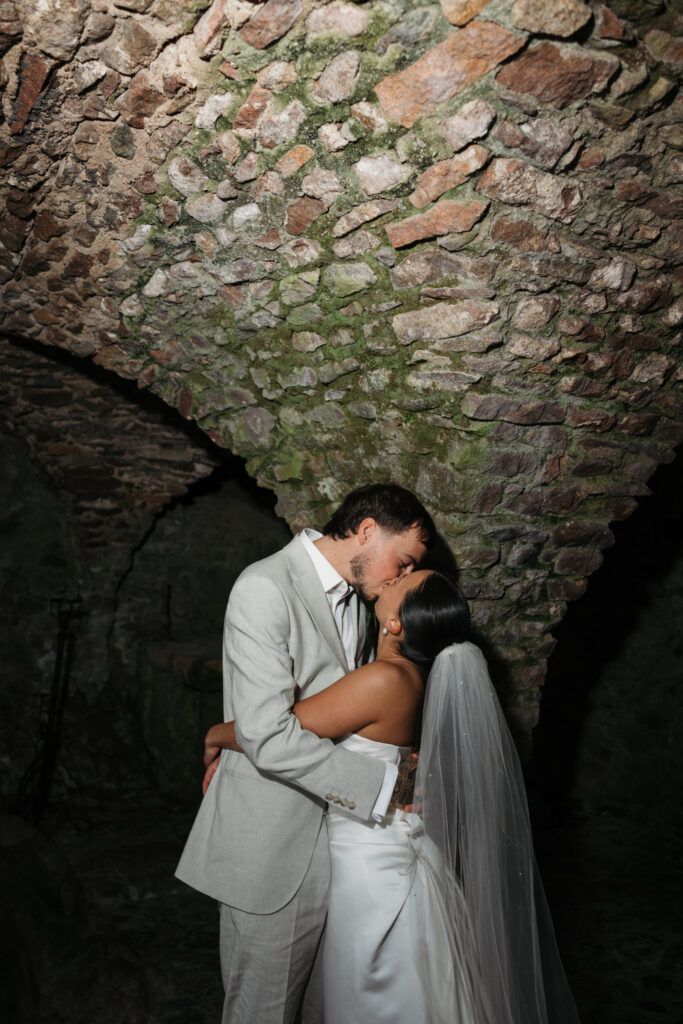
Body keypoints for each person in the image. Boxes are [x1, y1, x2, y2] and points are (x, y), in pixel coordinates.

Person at [204, 569, 580, 1024]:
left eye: (401, 580)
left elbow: (278, 731)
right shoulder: (411, 676)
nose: (391, 578)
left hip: (366, 865)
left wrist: (216, 734)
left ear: (397, 623)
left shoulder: (382, 679)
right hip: (387, 847)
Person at [175, 483, 436, 1024]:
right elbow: (269, 736)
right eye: (403, 561)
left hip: (340, 848)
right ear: (366, 530)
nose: (401, 579)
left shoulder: (363, 600)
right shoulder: (264, 587)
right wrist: (384, 788)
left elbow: (337, 716)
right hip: (273, 850)